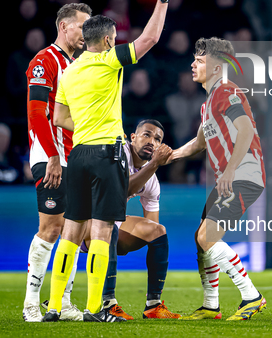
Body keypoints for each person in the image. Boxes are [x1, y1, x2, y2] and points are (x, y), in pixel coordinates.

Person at [43, 0, 175, 323]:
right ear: (106, 39)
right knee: (102, 231)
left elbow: (58, 117)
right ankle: (94, 309)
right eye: (114, 39)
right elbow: (150, 38)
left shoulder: (69, 72)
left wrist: (86, 125)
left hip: (79, 154)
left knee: (71, 231)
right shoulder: (108, 60)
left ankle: (54, 306)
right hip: (106, 154)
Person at [43, 120, 180, 319]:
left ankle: (153, 305)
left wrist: (131, 241)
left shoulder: (152, 180)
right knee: (109, 224)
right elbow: (122, 188)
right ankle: (108, 303)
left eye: (157, 139)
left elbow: (152, 226)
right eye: (146, 135)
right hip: (83, 224)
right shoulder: (117, 154)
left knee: (157, 230)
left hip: (109, 228)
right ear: (132, 138)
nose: (152, 141)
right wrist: (154, 164)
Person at [171, 37, 267, 321]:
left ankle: (252, 297)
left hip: (243, 176)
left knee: (207, 237)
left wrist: (229, 170)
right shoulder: (208, 103)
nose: (193, 64)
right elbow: (199, 143)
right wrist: (170, 156)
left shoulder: (227, 91)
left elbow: (246, 130)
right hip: (228, 179)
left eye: (199, 61)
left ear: (216, 67)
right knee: (201, 238)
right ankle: (211, 306)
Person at [22, 3, 92, 322]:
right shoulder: (44, 61)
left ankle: (61, 302)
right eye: (82, 26)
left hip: (72, 157)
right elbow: (38, 112)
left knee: (73, 231)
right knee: (50, 228)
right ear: (64, 27)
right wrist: (52, 155)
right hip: (51, 156)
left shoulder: (73, 64)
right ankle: (31, 305)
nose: (86, 33)